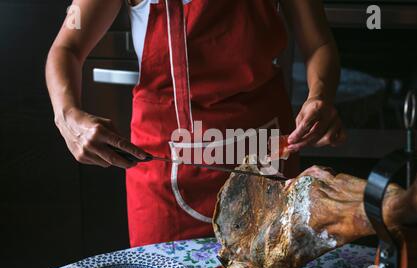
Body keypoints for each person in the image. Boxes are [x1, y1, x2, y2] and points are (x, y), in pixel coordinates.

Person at [46, 0, 345, 246]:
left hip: (266, 164)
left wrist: (320, 97)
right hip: (164, 175)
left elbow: (319, 45)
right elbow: (67, 48)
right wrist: (66, 115)